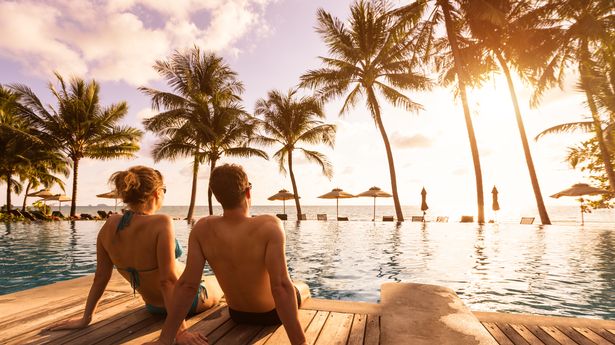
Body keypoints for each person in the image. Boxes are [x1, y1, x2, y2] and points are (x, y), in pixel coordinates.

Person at [45, 166, 222, 344]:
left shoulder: (109, 225)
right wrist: (180, 331)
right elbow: (167, 281)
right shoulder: (162, 223)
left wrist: (86, 318)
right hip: (184, 304)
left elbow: (100, 278)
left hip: (153, 306)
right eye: (164, 191)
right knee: (219, 282)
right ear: (156, 193)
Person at [147, 164, 308, 345]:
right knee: (301, 286)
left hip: (237, 314)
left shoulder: (202, 228)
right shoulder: (270, 225)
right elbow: (280, 287)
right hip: (271, 315)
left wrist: (165, 339)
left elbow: (187, 286)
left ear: (217, 197)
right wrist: (300, 343)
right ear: (248, 192)